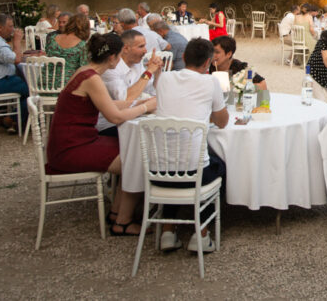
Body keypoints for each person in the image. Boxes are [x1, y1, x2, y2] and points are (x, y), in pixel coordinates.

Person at [47, 32, 157, 236]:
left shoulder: (85, 71)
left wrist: (139, 103)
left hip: (75, 141)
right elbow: (115, 117)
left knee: (132, 150)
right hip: (72, 147)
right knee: (137, 160)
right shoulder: (92, 78)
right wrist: (146, 107)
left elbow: (109, 104)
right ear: (113, 57)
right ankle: (122, 222)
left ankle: (117, 213)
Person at [154, 38, 229, 253]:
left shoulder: (165, 79)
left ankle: (168, 231)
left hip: (158, 170)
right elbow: (223, 122)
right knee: (218, 167)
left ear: (184, 57)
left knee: (175, 160)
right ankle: (201, 233)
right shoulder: (210, 82)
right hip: (194, 172)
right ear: (208, 63)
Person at [96, 30, 162, 135]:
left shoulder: (137, 64)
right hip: (110, 125)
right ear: (126, 48)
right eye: (141, 47)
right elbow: (125, 99)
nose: (145, 51)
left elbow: (152, 92)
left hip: (134, 118)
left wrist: (157, 72)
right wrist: (148, 72)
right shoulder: (111, 68)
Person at [44, 13, 92, 86]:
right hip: (66, 87)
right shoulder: (82, 45)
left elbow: (47, 54)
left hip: (45, 84)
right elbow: (84, 68)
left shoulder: (52, 39)